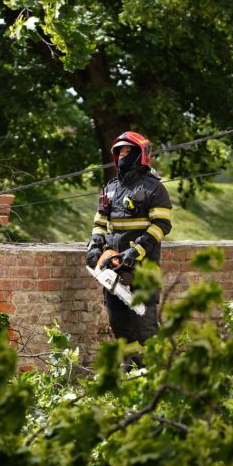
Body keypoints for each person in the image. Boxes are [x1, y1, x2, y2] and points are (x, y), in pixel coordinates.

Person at [85, 131, 172, 366]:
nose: (122, 155)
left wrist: (135, 252)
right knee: (120, 325)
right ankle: (134, 371)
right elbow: (100, 222)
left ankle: (156, 379)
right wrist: (95, 246)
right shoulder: (111, 188)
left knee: (145, 327)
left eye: (127, 151)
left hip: (142, 269)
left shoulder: (154, 188)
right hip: (114, 270)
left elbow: (162, 225)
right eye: (119, 151)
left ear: (140, 155)